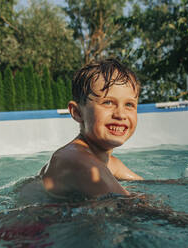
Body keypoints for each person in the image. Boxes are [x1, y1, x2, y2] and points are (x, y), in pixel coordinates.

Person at [39, 58, 144, 199]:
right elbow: (132, 206)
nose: (120, 114)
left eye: (129, 105)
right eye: (108, 102)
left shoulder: (108, 162)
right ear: (77, 112)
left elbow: (149, 186)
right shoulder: (77, 161)